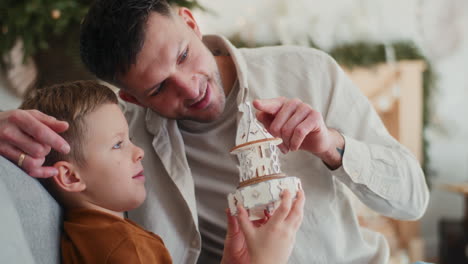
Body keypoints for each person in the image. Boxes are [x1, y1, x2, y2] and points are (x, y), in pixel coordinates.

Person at [0, 0, 429, 263]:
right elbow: (60, 164)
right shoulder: (120, 143)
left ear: (190, 21)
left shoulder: (307, 71)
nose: (190, 87)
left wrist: (333, 146)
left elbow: (413, 200)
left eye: (184, 55)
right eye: (158, 87)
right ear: (131, 99)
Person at [16, 80, 305, 264]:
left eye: (129, 138)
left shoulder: (88, 234)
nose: (138, 151)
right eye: (118, 144)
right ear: (71, 177)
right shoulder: (126, 249)